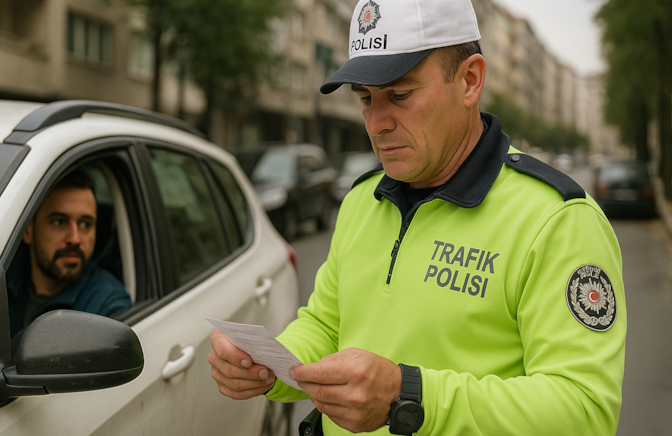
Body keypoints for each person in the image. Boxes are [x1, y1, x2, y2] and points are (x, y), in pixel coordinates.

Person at [208, 0, 626, 435]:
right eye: (366, 99)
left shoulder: (556, 219)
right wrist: (268, 367)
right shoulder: (361, 201)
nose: (377, 123)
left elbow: (584, 411)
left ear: (470, 80)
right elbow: (328, 327)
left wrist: (407, 398)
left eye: (401, 95)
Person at [7, 169, 132, 338]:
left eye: (85, 224)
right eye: (59, 222)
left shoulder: (107, 309)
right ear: (28, 231)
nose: (74, 238)